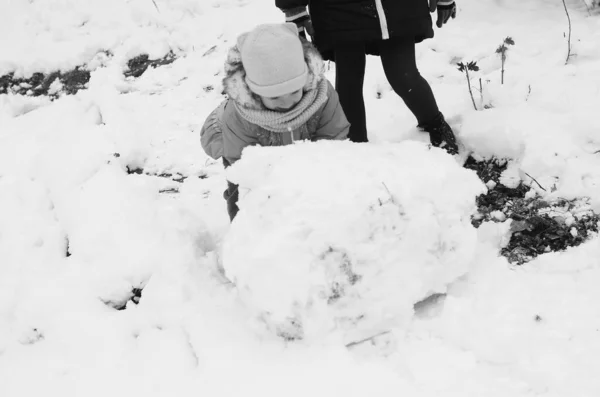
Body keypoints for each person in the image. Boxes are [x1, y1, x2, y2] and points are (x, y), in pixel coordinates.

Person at [200, 23, 350, 221]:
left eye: (294, 92)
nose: (287, 103)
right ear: (254, 91)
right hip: (248, 154)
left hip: (307, 152)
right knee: (242, 198)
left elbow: (333, 139)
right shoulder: (239, 114)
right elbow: (245, 168)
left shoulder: (321, 94)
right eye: (275, 97)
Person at [275, 0, 460, 155]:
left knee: (403, 75)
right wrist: (294, 6)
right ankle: (355, 149)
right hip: (338, 9)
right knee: (349, 80)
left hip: (397, 7)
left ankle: (435, 124)